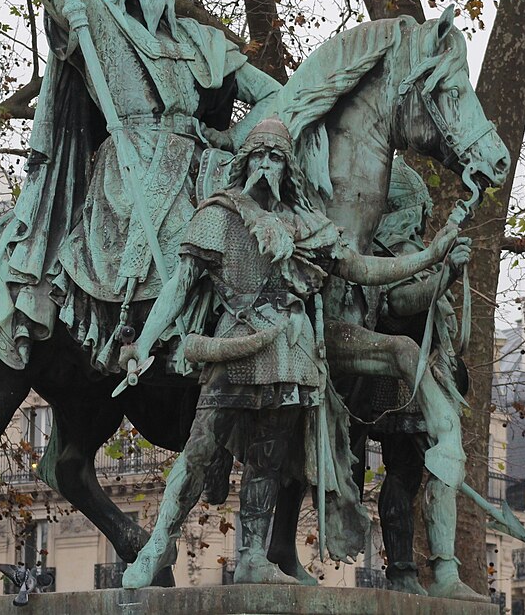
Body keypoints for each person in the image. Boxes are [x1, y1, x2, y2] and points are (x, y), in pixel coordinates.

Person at [118, 118, 461, 588]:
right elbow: (178, 289)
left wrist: (431, 257)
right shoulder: (217, 215)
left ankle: (254, 556)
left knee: (267, 462)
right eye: (257, 155)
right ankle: (159, 544)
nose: (265, 164)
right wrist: (141, 343)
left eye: (274, 156)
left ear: (287, 167)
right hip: (233, 347)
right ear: (245, 163)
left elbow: (362, 268)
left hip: (290, 355)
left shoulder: (306, 225)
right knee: (198, 450)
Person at [0, 0, 282, 369]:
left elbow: (273, 97)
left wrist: (230, 138)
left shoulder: (201, 41)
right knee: (192, 240)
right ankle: (154, 338)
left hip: (199, 164)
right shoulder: (102, 21)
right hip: (132, 166)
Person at [355, 158, 483, 601]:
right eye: (419, 208)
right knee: (405, 475)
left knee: (435, 475)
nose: (423, 216)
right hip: (400, 387)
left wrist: (446, 271)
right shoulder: (386, 256)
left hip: (435, 380)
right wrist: (445, 274)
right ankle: (408, 571)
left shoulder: (419, 255)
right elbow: (400, 303)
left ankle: (442, 570)